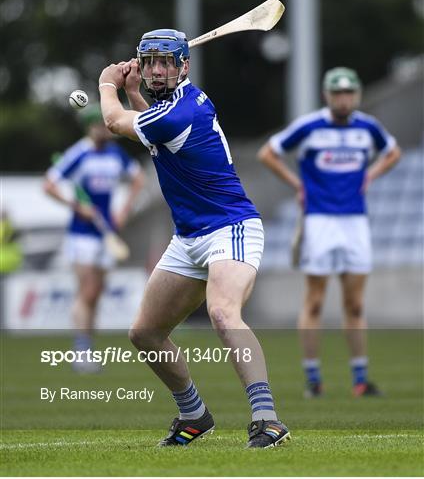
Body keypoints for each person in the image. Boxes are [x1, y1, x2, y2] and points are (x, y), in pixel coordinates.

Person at [97, 29, 291, 448]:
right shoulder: (168, 109)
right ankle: (194, 414)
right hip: (188, 238)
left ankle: (267, 419)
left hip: (230, 226)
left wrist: (107, 83)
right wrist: (133, 92)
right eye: (150, 62)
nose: (158, 69)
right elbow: (153, 137)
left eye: (167, 61)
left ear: (184, 65)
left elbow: (114, 123)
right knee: (144, 333)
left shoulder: (181, 111)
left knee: (223, 314)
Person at [257, 67, 401, 398]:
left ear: (357, 95)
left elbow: (393, 152)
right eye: (338, 93)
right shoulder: (310, 126)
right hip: (319, 220)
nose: (344, 98)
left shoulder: (367, 128)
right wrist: (298, 185)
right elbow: (268, 153)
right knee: (315, 300)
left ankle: (361, 379)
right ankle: (313, 379)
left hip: (355, 222)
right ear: (327, 95)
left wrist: (371, 175)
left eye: (349, 92)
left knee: (354, 304)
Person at [44, 104, 145, 371]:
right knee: (87, 291)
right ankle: (81, 350)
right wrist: (77, 207)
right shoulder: (78, 154)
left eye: (105, 125)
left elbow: (138, 179)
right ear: (90, 128)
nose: (103, 129)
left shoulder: (116, 154)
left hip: (106, 232)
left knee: (96, 293)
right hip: (81, 234)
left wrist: (124, 210)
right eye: (98, 125)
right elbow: (49, 184)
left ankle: (87, 348)